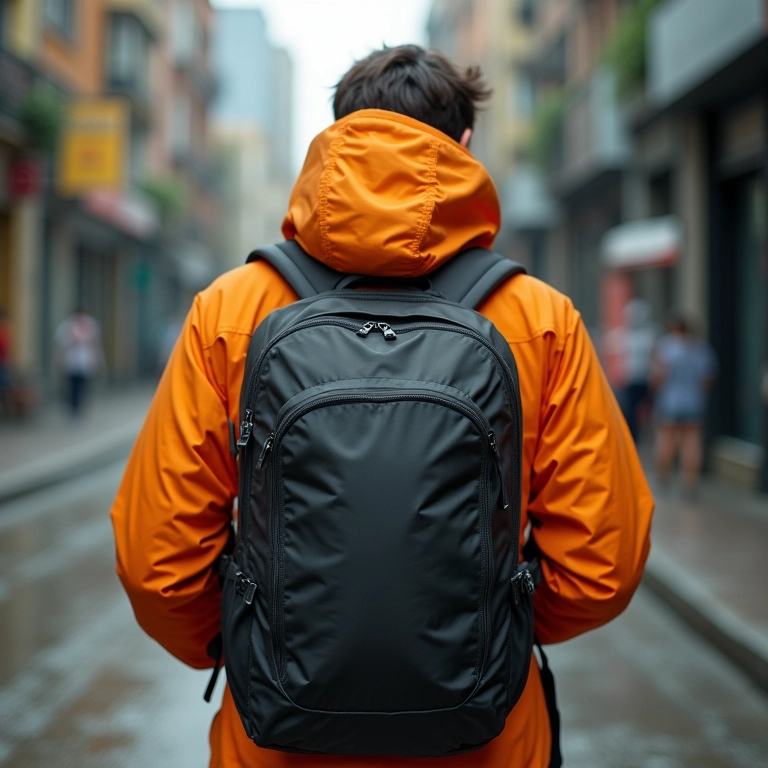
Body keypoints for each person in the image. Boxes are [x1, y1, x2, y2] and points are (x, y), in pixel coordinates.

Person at [111, 45, 653, 768]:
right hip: (483, 737)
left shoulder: (231, 311)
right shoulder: (539, 318)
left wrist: (264, 641)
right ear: (463, 146)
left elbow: (158, 563)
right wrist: (483, 636)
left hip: (276, 738)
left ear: (337, 140)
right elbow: (602, 564)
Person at [653, 312, 717, 496]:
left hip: (670, 401)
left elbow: (659, 376)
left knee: (667, 440)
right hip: (693, 401)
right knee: (692, 441)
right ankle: (690, 482)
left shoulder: (666, 347)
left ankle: (663, 477)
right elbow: (707, 379)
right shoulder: (701, 349)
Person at [619, 298, 657, 442]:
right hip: (631, 378)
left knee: (648, 410)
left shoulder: (650, 333)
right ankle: (633, 437)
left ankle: (647, 436)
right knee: (631, 410)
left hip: (647, 378)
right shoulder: (625, 335)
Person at [54, 307, 103, 416]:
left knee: (83, 386)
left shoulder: (91, 326)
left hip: (85, 362)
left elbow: (95, 345)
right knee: (72, 386)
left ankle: (79, 406)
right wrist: (59, 360)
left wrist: (97, 360)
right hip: (71, 362)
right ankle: (73, 406)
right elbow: (62, 346)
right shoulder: (68, 326)